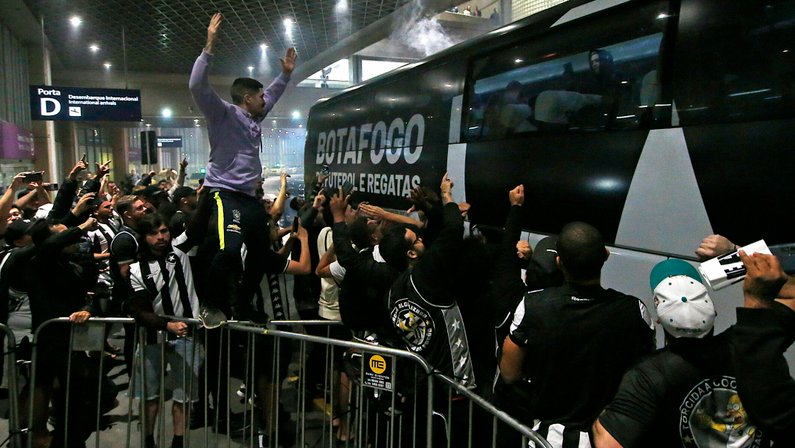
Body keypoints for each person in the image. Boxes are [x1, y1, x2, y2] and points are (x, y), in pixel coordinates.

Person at [499, 221, 654, 445]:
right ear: (606, 255)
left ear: (559, 262)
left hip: (548, 437)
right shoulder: (634, 311)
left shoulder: (533, 306)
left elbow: (509, 373)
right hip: (610, 435)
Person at [592, 258, 773, 447]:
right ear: (714, 311)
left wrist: (601, 422)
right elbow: (769, 301)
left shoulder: (648, 375)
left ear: (659, 320)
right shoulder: (749, 346)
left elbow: (608, 444)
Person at [188, 12, 298, 321]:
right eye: (260, 96)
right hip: (225, 193)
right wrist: (209, 46)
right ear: (247, 99)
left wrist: (286, 75)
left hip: (249, 199)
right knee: (229, 250)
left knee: (261, 258)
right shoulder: (222, 114)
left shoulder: (254, 118)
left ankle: (244, 305)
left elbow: (273, 94)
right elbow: (197, 85)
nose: (265, 100)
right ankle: (209, 304)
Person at [128, 213, 206, 448]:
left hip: (186, 335)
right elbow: (139, 310)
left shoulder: (179, 251)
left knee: (183, 396)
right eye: (153, 233)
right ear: (144, 237)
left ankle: (178, 441)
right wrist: (167, 325)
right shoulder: (136, 270)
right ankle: (149, 440)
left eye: (163, 231)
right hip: (153, 336)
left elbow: (197, 225)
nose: (161, 237)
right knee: (150, 396)